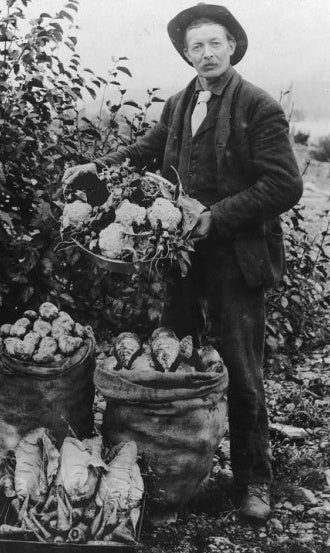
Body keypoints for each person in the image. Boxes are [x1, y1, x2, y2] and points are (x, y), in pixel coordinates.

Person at [63, 4, 303, 521]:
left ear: (232, 46)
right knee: (172, 362)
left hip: (237, 260)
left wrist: (215, 218)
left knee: (242, 372)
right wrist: (95, 168)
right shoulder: (180, 103)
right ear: (186, 54)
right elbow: (147, 150)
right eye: (196, 46)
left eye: (215, 43)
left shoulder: (258, 106)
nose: (206, 53)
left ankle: (252, 481)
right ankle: (178, 472)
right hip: (183, 261)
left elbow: (284, 184)